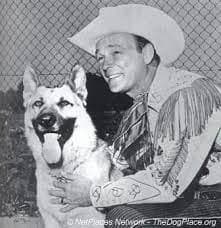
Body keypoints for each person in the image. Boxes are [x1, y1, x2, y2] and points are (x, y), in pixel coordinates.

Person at [49, 4, 221, 227]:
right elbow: (118, 162)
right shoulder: (142, 107)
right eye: (100, 58)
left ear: (147, 53)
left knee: (125, 217)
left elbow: (166, 184)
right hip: (197, 195)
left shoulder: (187, 94)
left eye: (116, 52)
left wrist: (93, 193)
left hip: (209, 196)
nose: (105, 65)